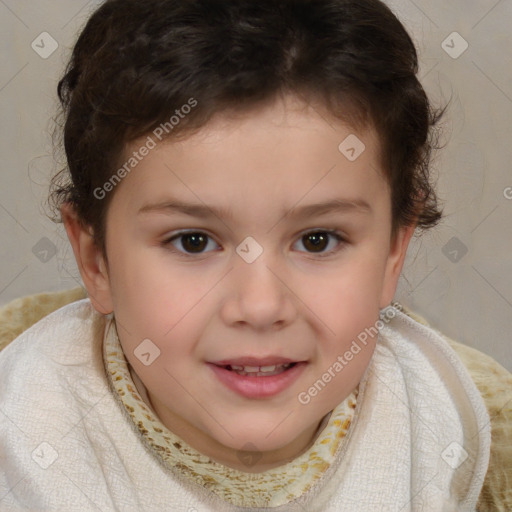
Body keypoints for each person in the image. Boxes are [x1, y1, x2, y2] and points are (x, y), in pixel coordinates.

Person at [0, 0, 493, 510]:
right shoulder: (28, 429)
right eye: (193, 241)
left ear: (394, 251)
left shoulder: (454, 416)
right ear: (95, 260)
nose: (259, 307)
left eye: (317, 240)